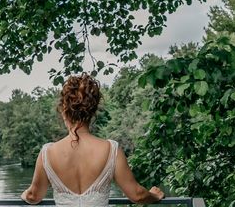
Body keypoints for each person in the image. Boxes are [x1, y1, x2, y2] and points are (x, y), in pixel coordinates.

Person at [21, 73, 165, 206]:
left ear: (64, 110)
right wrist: (154, 196)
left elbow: (34, 196)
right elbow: (137, 195)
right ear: (92, 111)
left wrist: (25, 194)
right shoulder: (112, 149)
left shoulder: (48, 152)